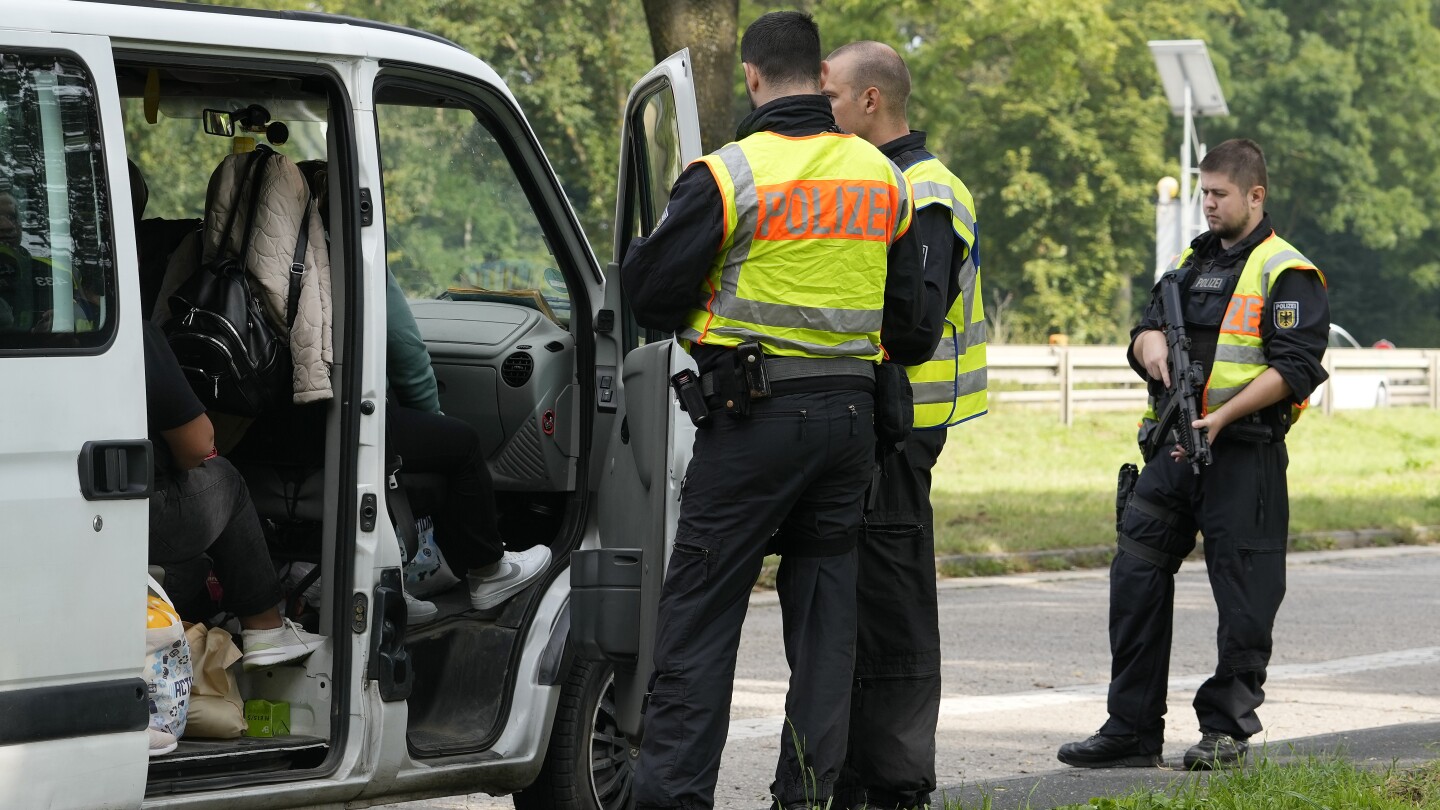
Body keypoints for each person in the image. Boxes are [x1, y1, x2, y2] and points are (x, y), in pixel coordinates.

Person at [620, 11, 934, 809]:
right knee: (827, 629)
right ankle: (807, 797)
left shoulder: (730, 173)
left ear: (755, 78)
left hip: (752, 419)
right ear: (821, 79)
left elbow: (647, 292)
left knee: (698, 618)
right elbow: (909, 326)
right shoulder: (881, 177)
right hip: (849, 429)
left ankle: (672, 801)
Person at [1057, 139, 1329, 770]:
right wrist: (1148, 348)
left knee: (1244, 598)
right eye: (1203, 193)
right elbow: (1147, 325)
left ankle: (1225, 730)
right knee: (1135, 579)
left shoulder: (1287, 271)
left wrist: (1224, 413)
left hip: (1243, 455)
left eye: (1219, 194)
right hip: (1174, 450)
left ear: (1255, 196)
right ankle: (1130, 730)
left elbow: (1297, 367)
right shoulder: (1189, 263)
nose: (1207, 204)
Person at [821, 40, 985, 810]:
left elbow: (914, 326)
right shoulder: (883, 182)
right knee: (856, 600)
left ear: (870, 102)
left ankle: (892, 784)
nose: (823, 110)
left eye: (830, 97)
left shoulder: (924, 190)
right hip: (874, 419)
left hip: (902, 424)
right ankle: (856, 774)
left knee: (890, 606)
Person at [145, 319, 326, 670]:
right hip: (133, 513)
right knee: (225, 479)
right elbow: (198, 444)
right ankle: (265, 628)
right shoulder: (134, 335)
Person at [383, 268, 551, 612]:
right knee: (461, 444)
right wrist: (434, 419)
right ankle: (488, 571)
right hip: (356, 417)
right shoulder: (352, 245)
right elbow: (406, 352)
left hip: (283, 424)